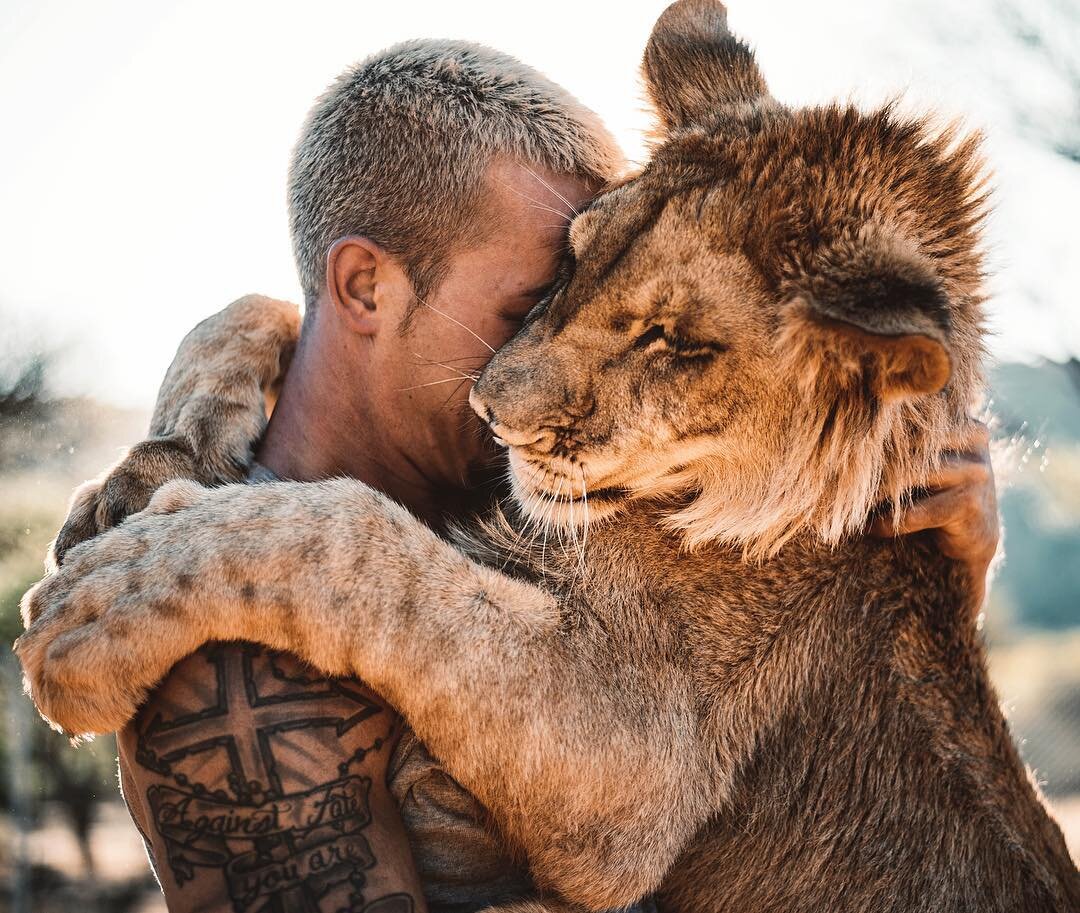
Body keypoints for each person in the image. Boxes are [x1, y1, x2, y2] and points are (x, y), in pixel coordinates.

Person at [50, 39, 1000, 913]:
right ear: (363, 288)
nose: (512, 389)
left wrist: (941, 580)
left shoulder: (664, 475)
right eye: (531, 301)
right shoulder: (229, 668)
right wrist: (233, 464)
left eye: (571, 295)